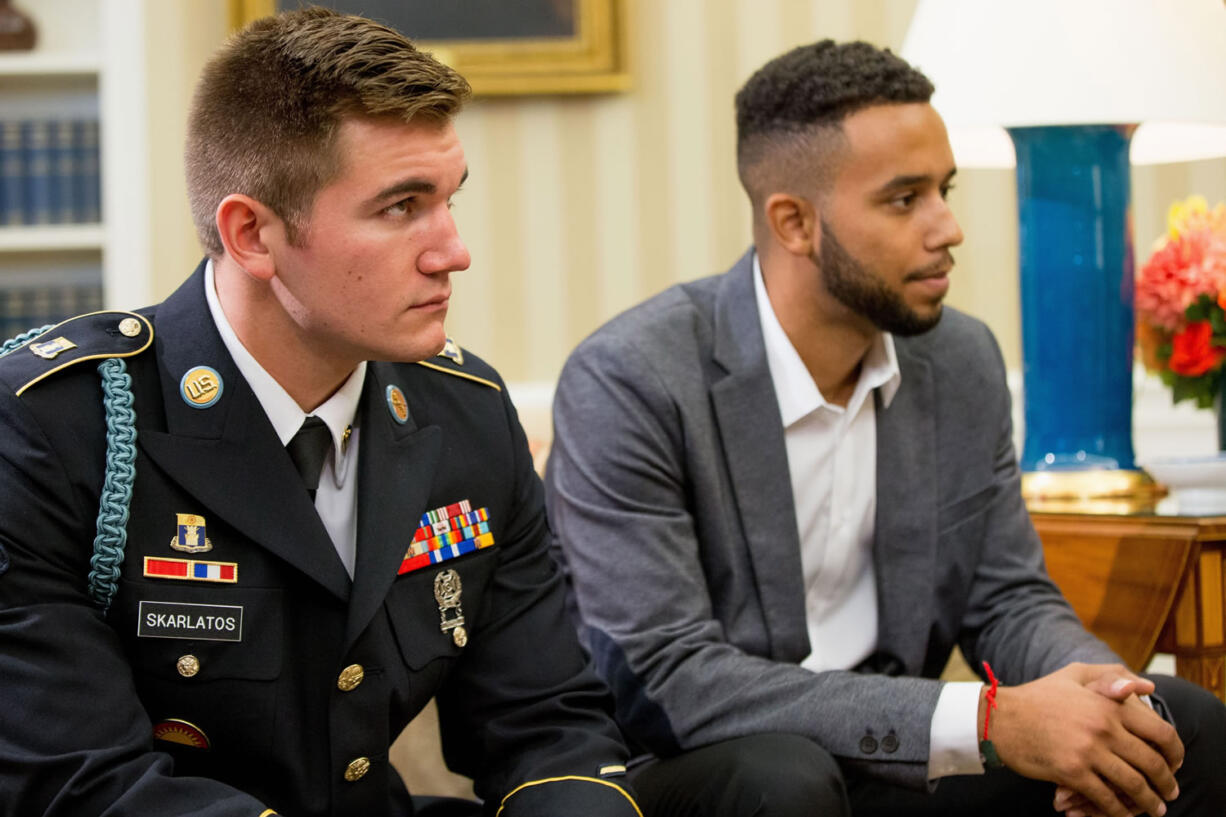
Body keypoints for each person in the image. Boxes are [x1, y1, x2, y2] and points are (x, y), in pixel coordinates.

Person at [544, 40, 1226, 817]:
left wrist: (1109, 699)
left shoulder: (960, 360)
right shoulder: (633, 378)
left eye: (945, 189)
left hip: (898, 761)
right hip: (701, 764)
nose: (948, 227)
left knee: (1180, 726)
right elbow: (670, 676)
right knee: (785, 778)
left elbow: (1008, 600)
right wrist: (990, 720)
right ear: (795, 222)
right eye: (905, 199)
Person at [0, 8, 640, 817]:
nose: (453, 249)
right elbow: (85, 782)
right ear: (253, 235)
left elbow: (548, 727)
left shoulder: (467, 413)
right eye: (402, 206)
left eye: (449, 199)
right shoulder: (56, 428)